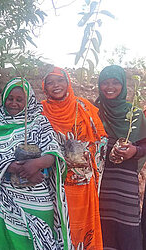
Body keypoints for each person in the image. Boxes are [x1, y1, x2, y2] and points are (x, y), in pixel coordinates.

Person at [0, 77, 72, 250]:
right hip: (5, 195)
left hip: (38, 195)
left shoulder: (39, 121)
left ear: (28, 100)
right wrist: (19, 168)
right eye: (10, 98)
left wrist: (36, 164)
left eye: (19, 99)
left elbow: (53, 152)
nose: (13, 103)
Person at [41, 67, 107, 249]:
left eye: (60, 80)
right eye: (50, 82)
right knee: (59, 228)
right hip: (53, 184)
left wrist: (86, 153)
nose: (56, 85)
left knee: (83, 230)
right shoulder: (40, 112)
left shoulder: (84, 107)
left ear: (68, 82)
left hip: (83, 184)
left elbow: (101, 140)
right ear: (44, 87)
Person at [97, 65, 146, 250]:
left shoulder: (134, 114)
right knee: (101, 227)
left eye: (115, 82)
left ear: (123, 85)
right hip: (100, 183)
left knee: (127, 228)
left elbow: (144, 144)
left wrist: (134, 150)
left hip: (124, 183)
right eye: (105, 83)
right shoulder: (94, 111)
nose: (110, 87)